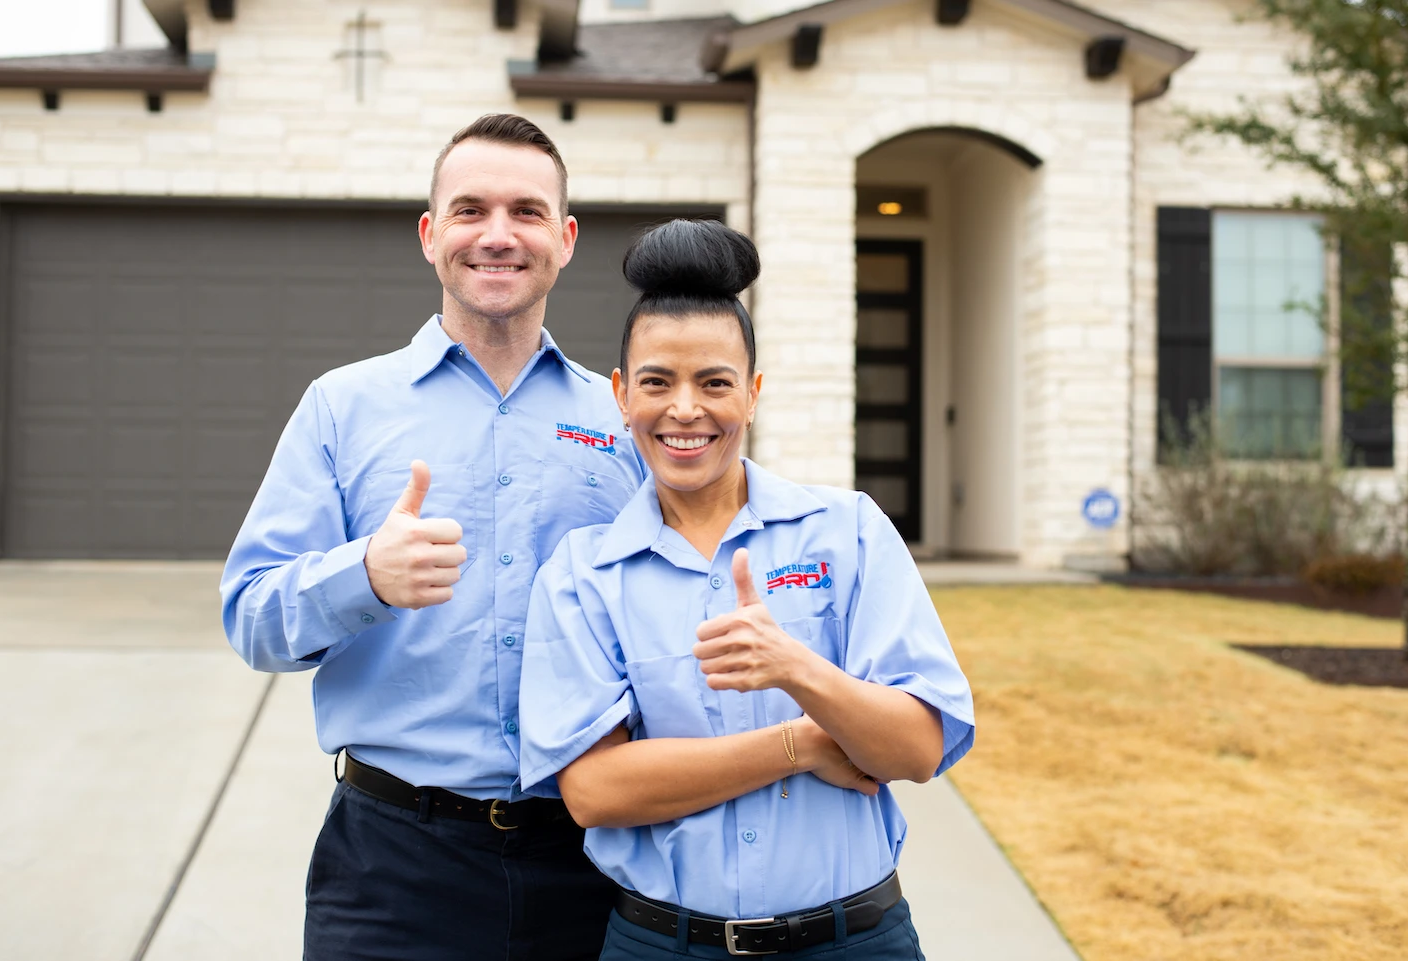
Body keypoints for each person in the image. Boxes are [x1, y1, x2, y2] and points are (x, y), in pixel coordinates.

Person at [220, 114, 649, 961]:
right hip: (392, 866)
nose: (498, 235)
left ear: (565, 239)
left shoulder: (626, 418)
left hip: (594, 858)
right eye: (469, 210)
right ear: (429, 235)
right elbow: (250, 616)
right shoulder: (342, 407)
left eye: (527, 212)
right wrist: (363, 578)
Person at [518, 219, 975, 960]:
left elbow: (919, 747)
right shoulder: (584, 573)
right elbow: (597, 790)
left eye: (715, 382)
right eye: (658, 382)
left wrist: (798, 668)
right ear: (621, 395)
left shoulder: (847, 532)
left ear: (754, 393)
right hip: (663, 944)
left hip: (852, 940)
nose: (686, 409)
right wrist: (800, 743)